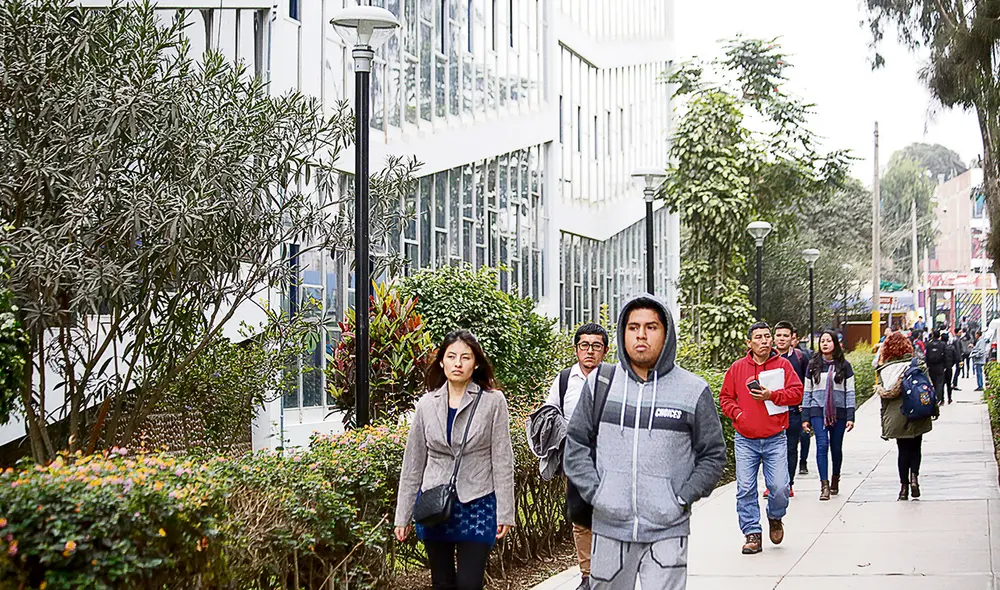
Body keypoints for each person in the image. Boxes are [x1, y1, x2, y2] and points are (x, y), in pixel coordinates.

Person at [564, 295, 726, 589]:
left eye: (651, 327)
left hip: (668, 530)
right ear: (622, 333)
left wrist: (680, 497)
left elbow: (713, 454)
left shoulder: (692, 390)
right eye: (633, 327)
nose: (641, 335)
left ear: (666, 333)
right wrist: (598, 493)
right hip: (610, 529)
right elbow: (575, 444)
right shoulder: (600, 383)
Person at [394, 330, 515, 590]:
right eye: (451, 357)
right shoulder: (426, 404)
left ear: (476, 363)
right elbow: (413, 464)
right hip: (435, 504)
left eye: (465, 357)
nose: (458, 363)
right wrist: (402, 516)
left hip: (478, 501)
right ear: (441, 361)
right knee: (442, 582)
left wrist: (506, 512)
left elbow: (503, 459)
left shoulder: (493, 402)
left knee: (470, 583)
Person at [719, 322, 804, 555]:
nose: (765, 340)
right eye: (759, 337)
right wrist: (738, 414)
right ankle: (752, 534)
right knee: (745, 488)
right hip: (745, 439)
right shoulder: (737, 368)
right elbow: (725, 397)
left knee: (779, 487)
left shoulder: (783, 366)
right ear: (749, 343)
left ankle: (775, 517)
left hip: (775, 438)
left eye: (768, 336)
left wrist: (772, 395)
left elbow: (797, 393)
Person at [541, 323, 609, 590]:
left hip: (610, 461)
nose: (589, 351)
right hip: (577, 460)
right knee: (581, 518)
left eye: (596, 346)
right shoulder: (565, 379)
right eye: (584, 345)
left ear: (605, 350)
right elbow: (549, 411)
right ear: (576, 349)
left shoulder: (615, 378)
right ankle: (587, 575)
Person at [875, 332, 935, 501]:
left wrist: (884, 423)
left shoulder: (884, 370)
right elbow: (928, 389)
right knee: (916, 447)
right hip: (917, 413)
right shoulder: (917, 365)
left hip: (898, 416)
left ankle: (903, 487)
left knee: (903, 450)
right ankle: (914, 477)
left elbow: (884, 402)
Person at [801, 330, 856, 501]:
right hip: (818, 411)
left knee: (836, 448)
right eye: (822, 341)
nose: (825, 343)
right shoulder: (813, 365)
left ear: (835, 343)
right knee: (822, 445)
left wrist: (850, 416)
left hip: (838, 412)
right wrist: (805, 416)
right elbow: (807, 391)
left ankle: (835, 478)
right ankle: (823, 485)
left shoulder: (844, 366)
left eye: (828, 340)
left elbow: (850, 392)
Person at [773, 321, 810, 496]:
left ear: (792, 338)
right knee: (771, 449)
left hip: (794, 411)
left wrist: (806, 404)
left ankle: (789, 483)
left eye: (785, 336)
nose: (781, 339)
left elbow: (807, 382)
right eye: (778, 335)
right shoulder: (768, 357)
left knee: (790, 448)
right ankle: (772, 484)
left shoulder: (800, 358)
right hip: (772, 411)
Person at [925, 331, 950, 406]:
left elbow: (926, 355)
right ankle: (939, 399)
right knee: (940, 383)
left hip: (931, 366)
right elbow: (946, 355)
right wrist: (946, 366)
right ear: (939, 336)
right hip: (940, 366)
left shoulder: (928, 344)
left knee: (933, 383)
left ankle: (933, 398)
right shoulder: (942, 344)